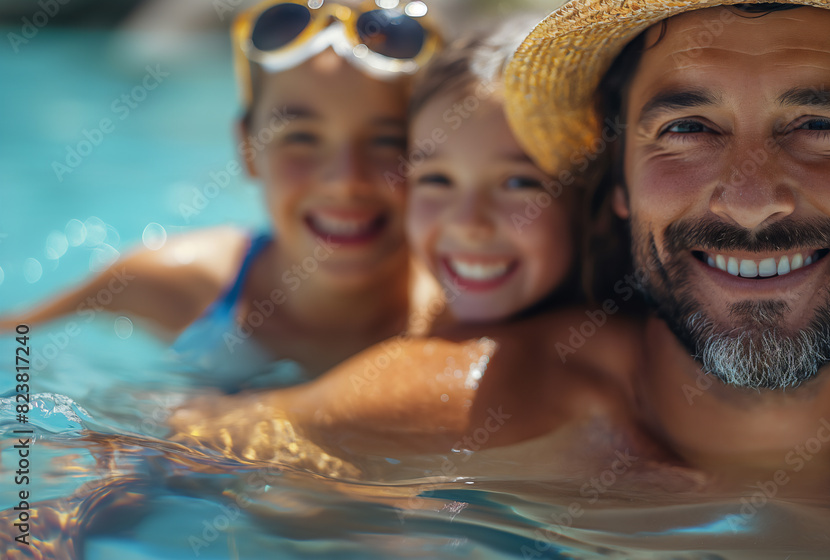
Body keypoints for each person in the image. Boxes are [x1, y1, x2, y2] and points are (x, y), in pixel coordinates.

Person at [502, 0, 830, 484]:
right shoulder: (474, 420)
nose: (750, 202)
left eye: (821, 126)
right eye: (687, 128)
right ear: (621, 171)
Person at [167, 21, 666, 481]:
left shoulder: (473, 370)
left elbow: (180, 449)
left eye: (519, 182)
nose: (467, 223)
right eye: (436, 178)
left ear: (599, 200)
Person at [1, 1, 442, 386]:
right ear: (248, 149)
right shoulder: (167, 283)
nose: (346, 180)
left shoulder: (461, 319)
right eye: (302, 138)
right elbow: (15, 349)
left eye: (389, 141)